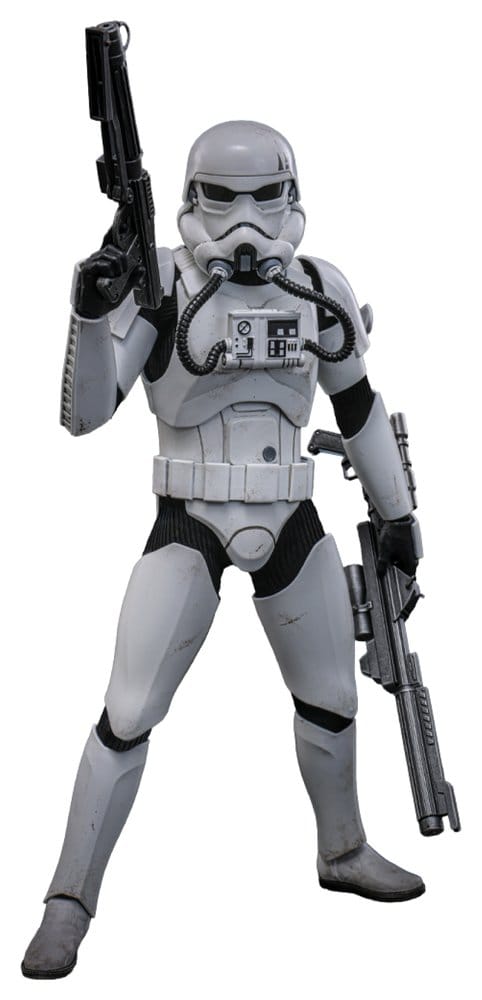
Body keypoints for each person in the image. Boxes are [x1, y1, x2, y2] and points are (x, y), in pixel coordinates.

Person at [22, 120, 424, 980]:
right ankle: (67, 900)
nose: (245, 220)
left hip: (292, 517)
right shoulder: (162, 285)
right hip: (191, 518)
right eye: (222, 198)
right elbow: (86, 415)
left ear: (292, 198)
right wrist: (90, 312)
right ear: (190, 199)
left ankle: (343, 848)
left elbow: (357, 406)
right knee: (127, 711)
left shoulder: (319, 289)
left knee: (332, 699)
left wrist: (396, 515)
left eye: (264, 197)